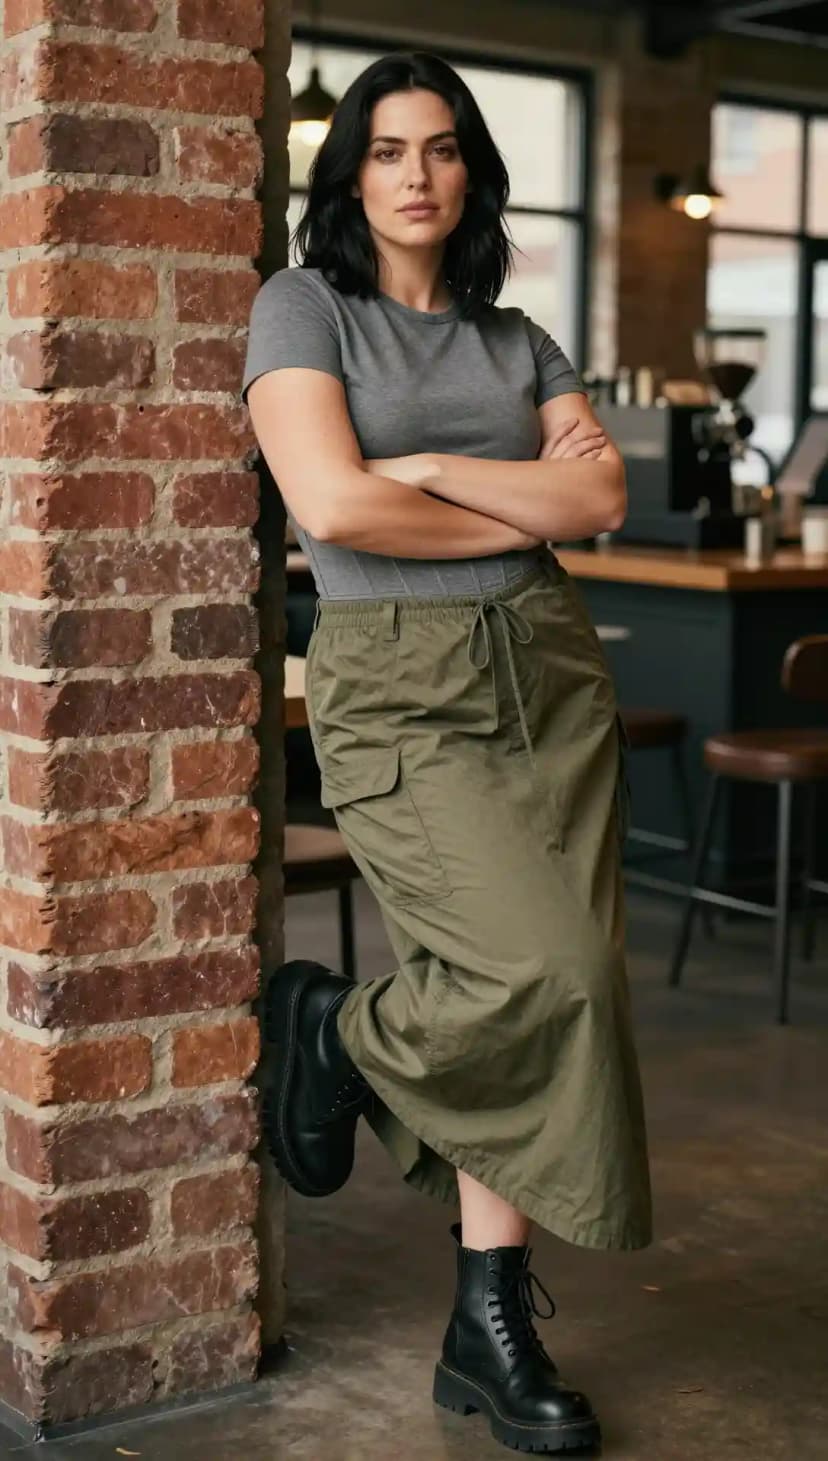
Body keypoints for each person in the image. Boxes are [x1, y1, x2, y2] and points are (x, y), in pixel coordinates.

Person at [241, 49, 652, 1456]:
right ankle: (341, 1032)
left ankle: (489, 1327)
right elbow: (335, 509)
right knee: (547, 971)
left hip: (548, 671)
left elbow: (598, 497)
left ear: (470, 169)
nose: (417, 173)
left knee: (540, 996)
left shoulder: (515, 335)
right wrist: (509, 503)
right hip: (401, 686)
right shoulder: (303, 309)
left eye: (442, 147)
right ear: (350, 173)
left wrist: (437, 472)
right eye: (387, 148)